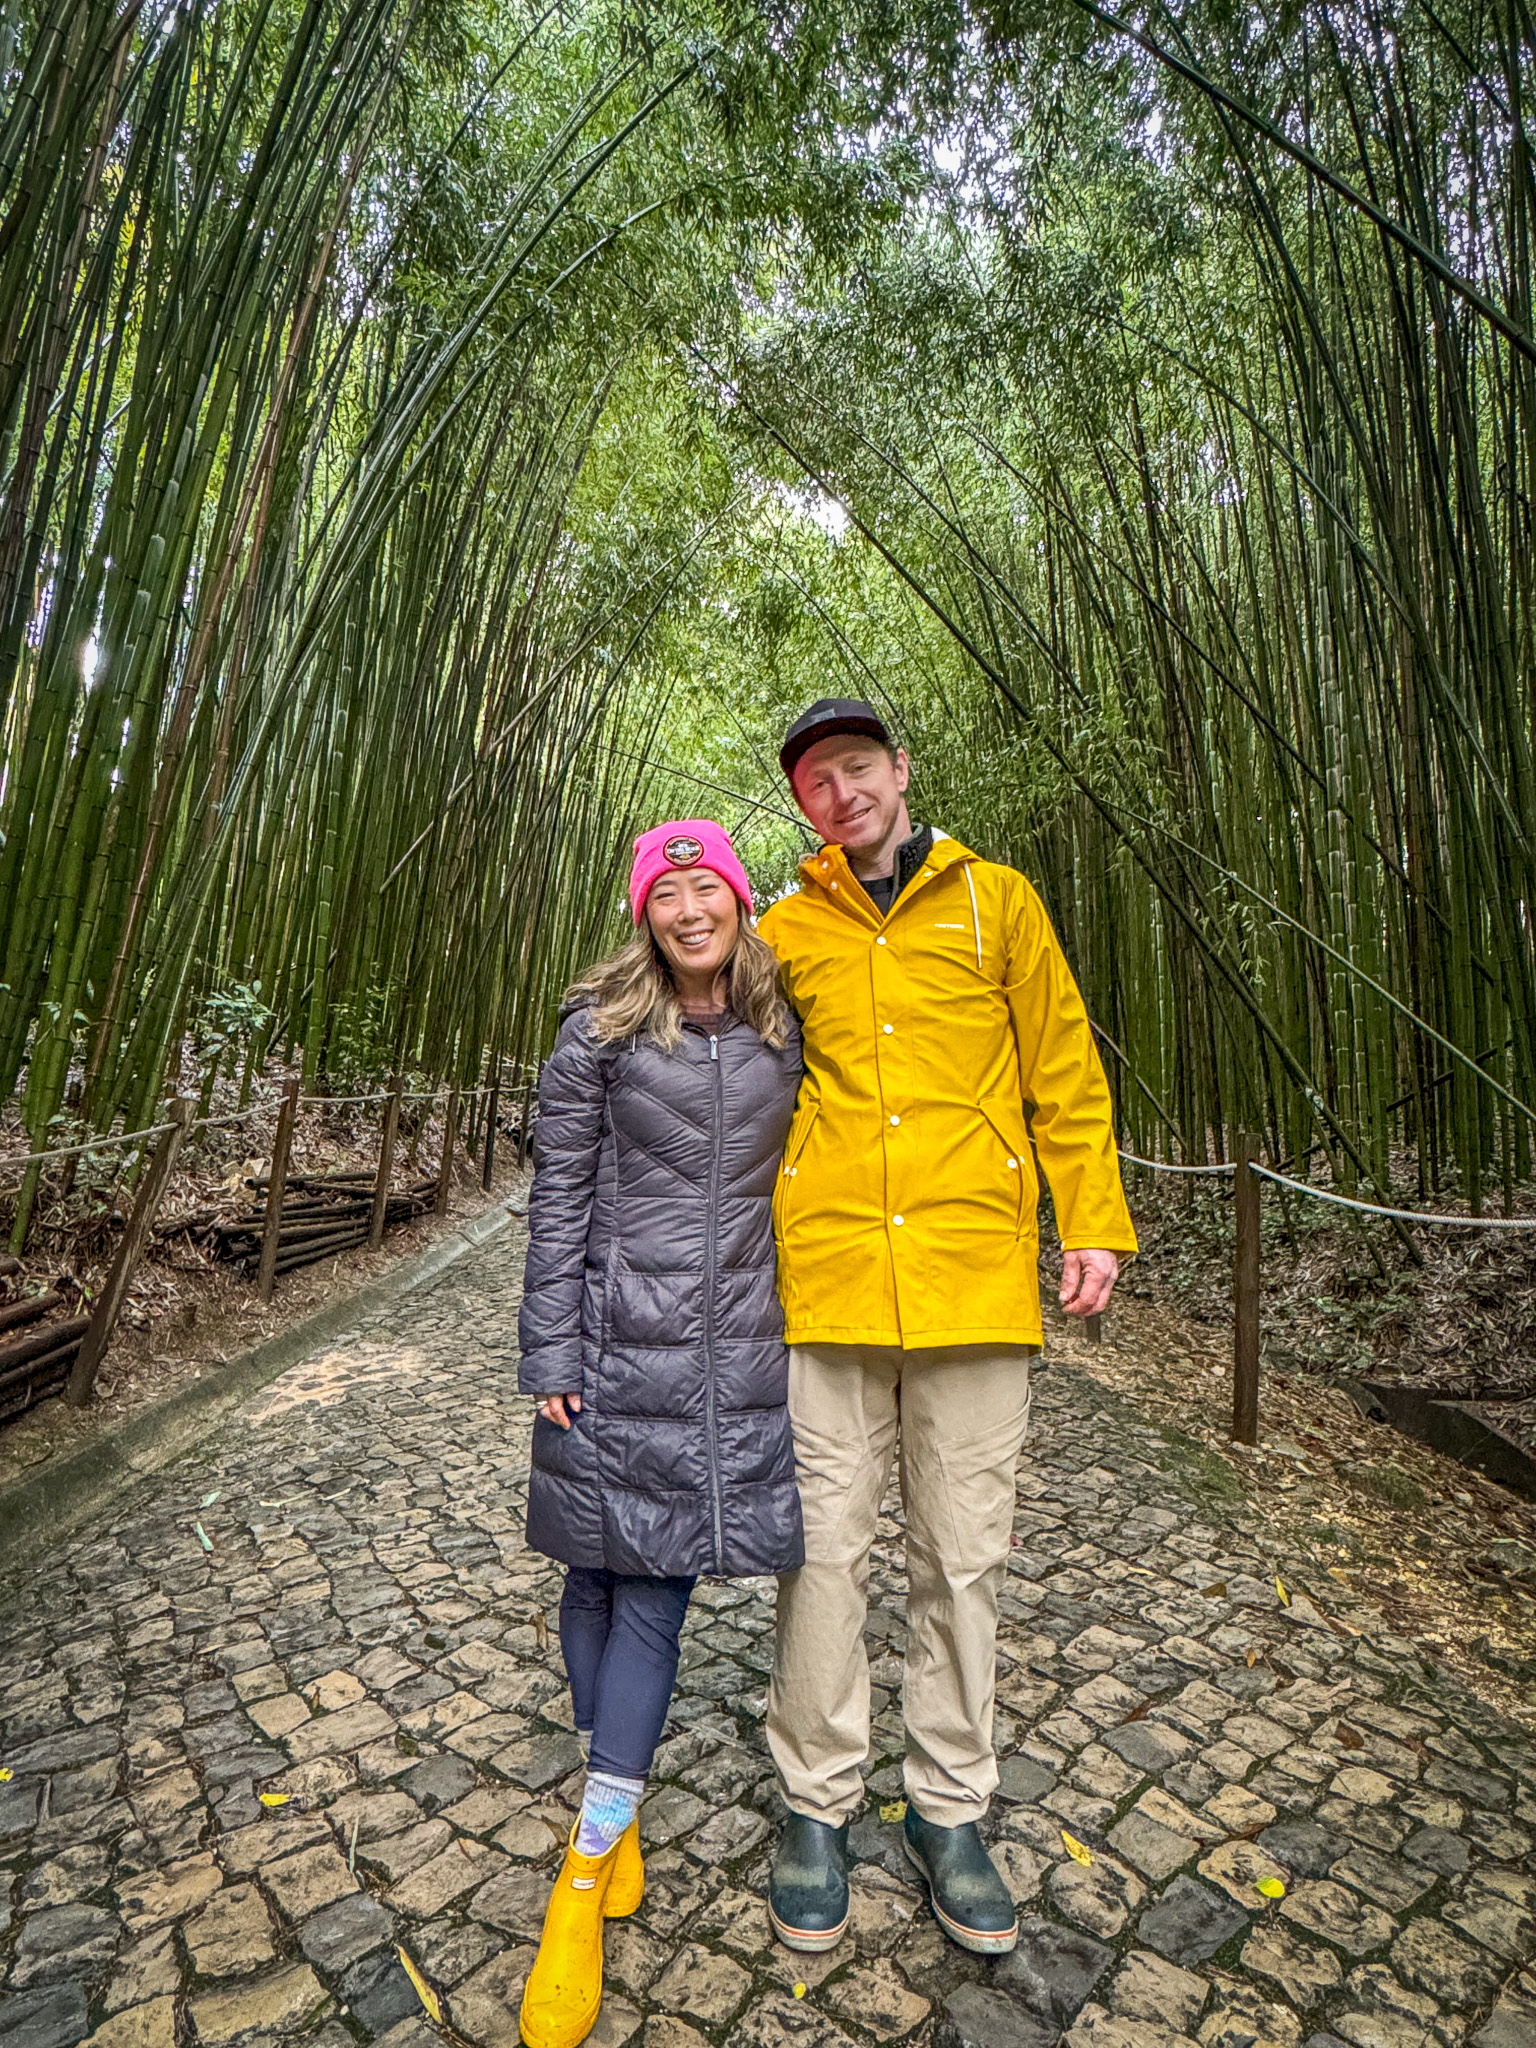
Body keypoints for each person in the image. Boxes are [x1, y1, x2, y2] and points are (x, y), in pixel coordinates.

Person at [758, 698, 1137, 1957]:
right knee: (821, 1550)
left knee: (961, 1555)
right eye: (817, 780)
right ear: (803, 804)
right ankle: (817, 1801)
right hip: (830, 1281)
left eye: (858, 766)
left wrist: (1092, 1219)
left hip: (974, 1275)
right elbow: (725, 1069)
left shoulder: (1001, 902)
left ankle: (949, 1807)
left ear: (901, 769)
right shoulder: (785, 926)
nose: (842, 791)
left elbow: (1064, 1067)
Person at [516, 819, 804, 2048]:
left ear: (739, 900)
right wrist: (549, 1353)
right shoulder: (600, 1029)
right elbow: (559, 1195)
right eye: (669, 892)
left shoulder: (790, 1026)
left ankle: (583, 1868)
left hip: (727, 1353)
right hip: (605, 1340)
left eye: (710, 887)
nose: (692, 909)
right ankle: (620, 1803)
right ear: (646, 911)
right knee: (589, 1571)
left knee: (652, 1591)